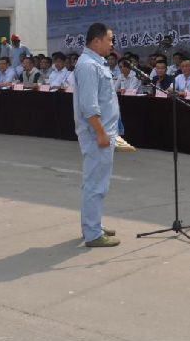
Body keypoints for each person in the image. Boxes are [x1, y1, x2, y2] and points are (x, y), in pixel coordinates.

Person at [72, 22, 121, 247]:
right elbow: (89, 106)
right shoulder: (88, 66)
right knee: (95, 185)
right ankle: (92, 234)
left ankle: (93, 225)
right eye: (109, 40)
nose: (112, 44)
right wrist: (101, 133)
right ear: (96, 40)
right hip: (96, 135)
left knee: (97, 183)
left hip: (104, 133)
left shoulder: (96, 63)